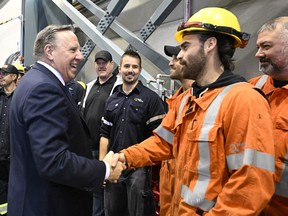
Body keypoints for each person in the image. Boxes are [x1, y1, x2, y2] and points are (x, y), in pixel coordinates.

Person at [119, 7, 275, 215]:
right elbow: (163, 143)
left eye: (185, 47)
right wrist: (124, 158)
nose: (179, 56)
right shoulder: (187, 99)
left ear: (210, 44)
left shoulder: (244, 100)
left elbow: (250, 186)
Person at [8, 24, 125, 216]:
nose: (80, 56)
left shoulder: (36, 81)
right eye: (73, 49)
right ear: (49, 51)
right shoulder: (44, 89)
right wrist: (103, 169)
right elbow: (53, 160)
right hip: (46, 206)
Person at [99, 49, 166, 216]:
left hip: (139, 170)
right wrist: (102, 166)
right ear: (120, 69)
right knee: (112, 211)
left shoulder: (151, 99)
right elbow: (104, 134)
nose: (130, 70)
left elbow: (159, 139)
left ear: (140, 70)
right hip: (114, 166)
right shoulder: (112, 99)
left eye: (135, 67)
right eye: (127, 66)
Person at [249, 17, 288, 216]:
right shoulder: (249, 89)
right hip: (248, 206)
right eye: (258, 47)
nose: (258, 54)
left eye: (266, 46)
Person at [81, 50, 121, 216]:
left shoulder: (118, 87)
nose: (101, 66)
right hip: (87, 149)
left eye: (105, 62)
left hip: (107, 151)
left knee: (104, 196)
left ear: (112, 65)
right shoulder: (89, 86)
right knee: (88, 192)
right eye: (98, 63)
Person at [159, 45, 194, 216]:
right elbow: (162, 144)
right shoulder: (177, 102)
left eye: (176, 58)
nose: (171, 63)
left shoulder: (205, 102)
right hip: (170, 198)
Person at [0, 64, 18, 216]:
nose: (1, 76)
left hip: (14, 155)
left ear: (14, 77)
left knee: (14, 190)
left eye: (4, 73)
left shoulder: (21, 96)